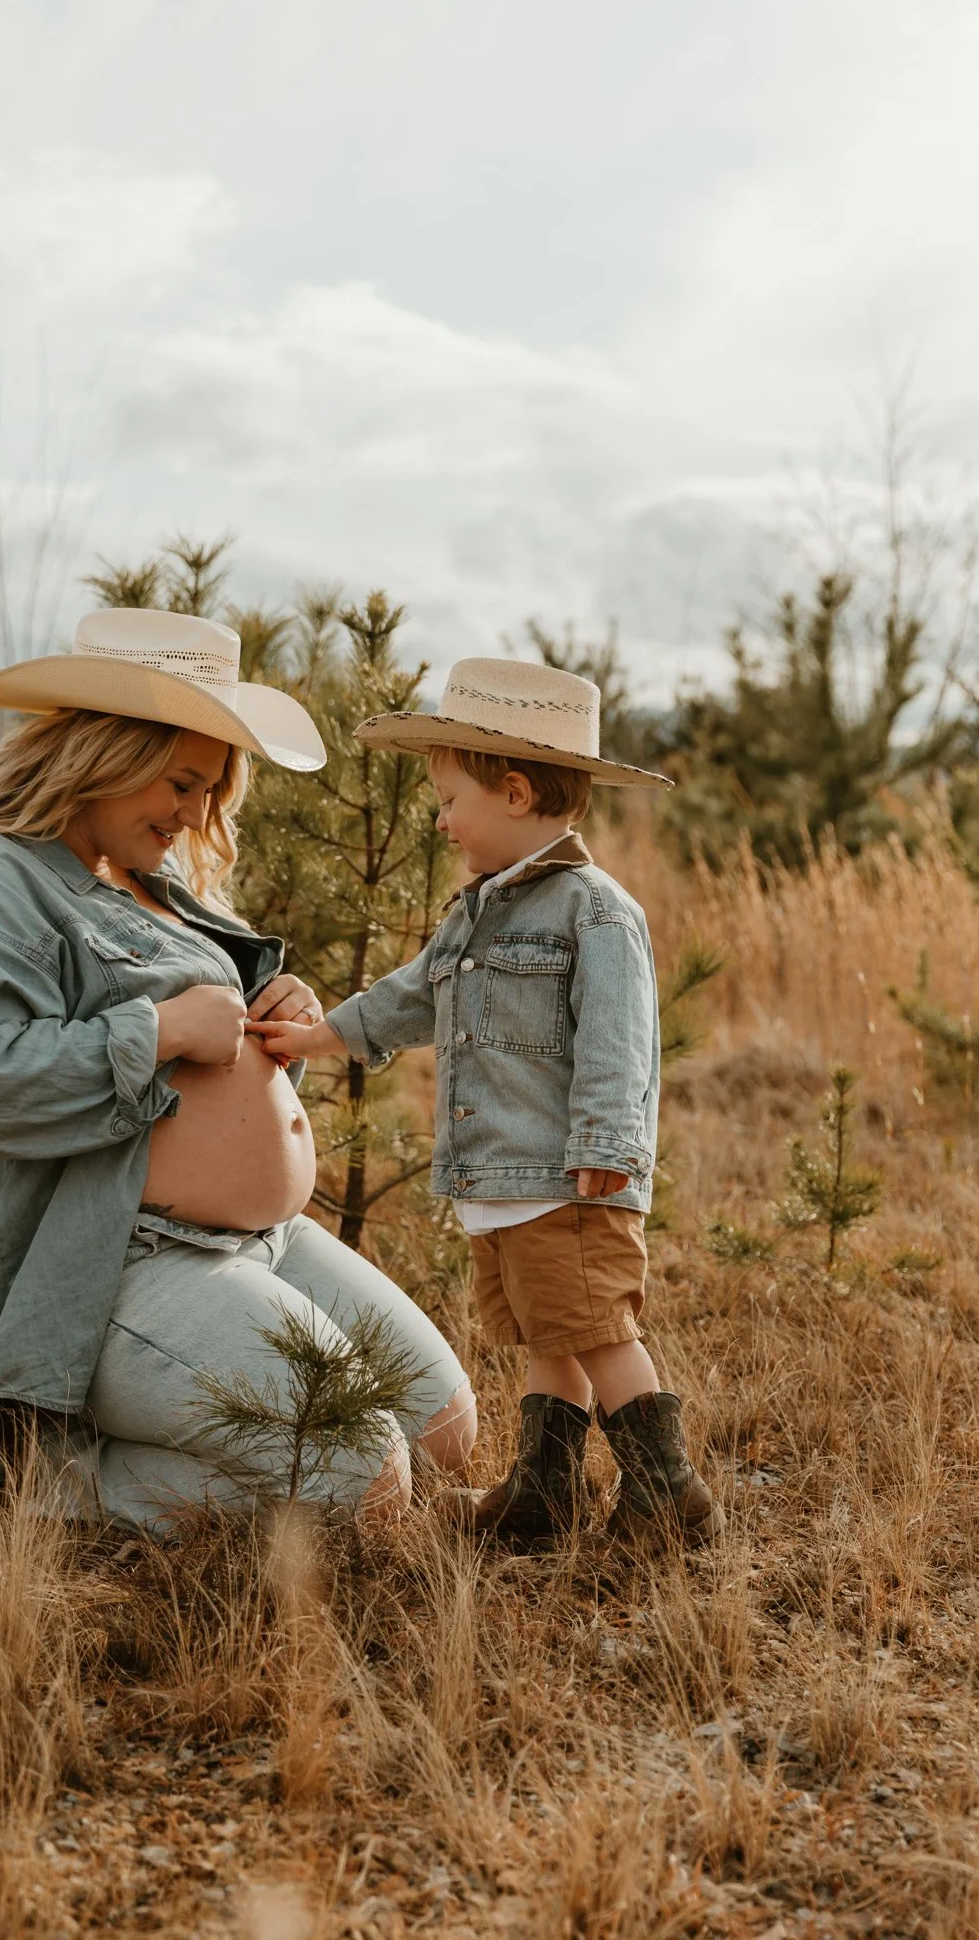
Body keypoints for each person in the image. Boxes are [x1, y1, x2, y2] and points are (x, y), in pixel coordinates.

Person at [0, 608, 476, 1532]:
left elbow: (208, 1069)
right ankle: (51, 1485)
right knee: (364, 1470)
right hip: (106, 1262)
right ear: (101, 751)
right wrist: (155, 1028)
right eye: (183, 781)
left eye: (210, 789)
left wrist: (282, 1024)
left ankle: (225, 1452)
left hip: (256, 1241)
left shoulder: (139, 875)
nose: (196, 815)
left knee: (444, 1429)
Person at [250, 654, 722, 1549]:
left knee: (596, 1330)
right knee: (550, 1337)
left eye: (448, 799)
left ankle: (669, 1493)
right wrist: (322, 1036)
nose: (439, 820)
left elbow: (619, 1041)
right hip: (500, 1172)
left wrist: (605, 1146)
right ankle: (544, 1490)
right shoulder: (474, 912)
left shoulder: (595, 911)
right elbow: (411, 996)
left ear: (512, 793)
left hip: (566, 1173)